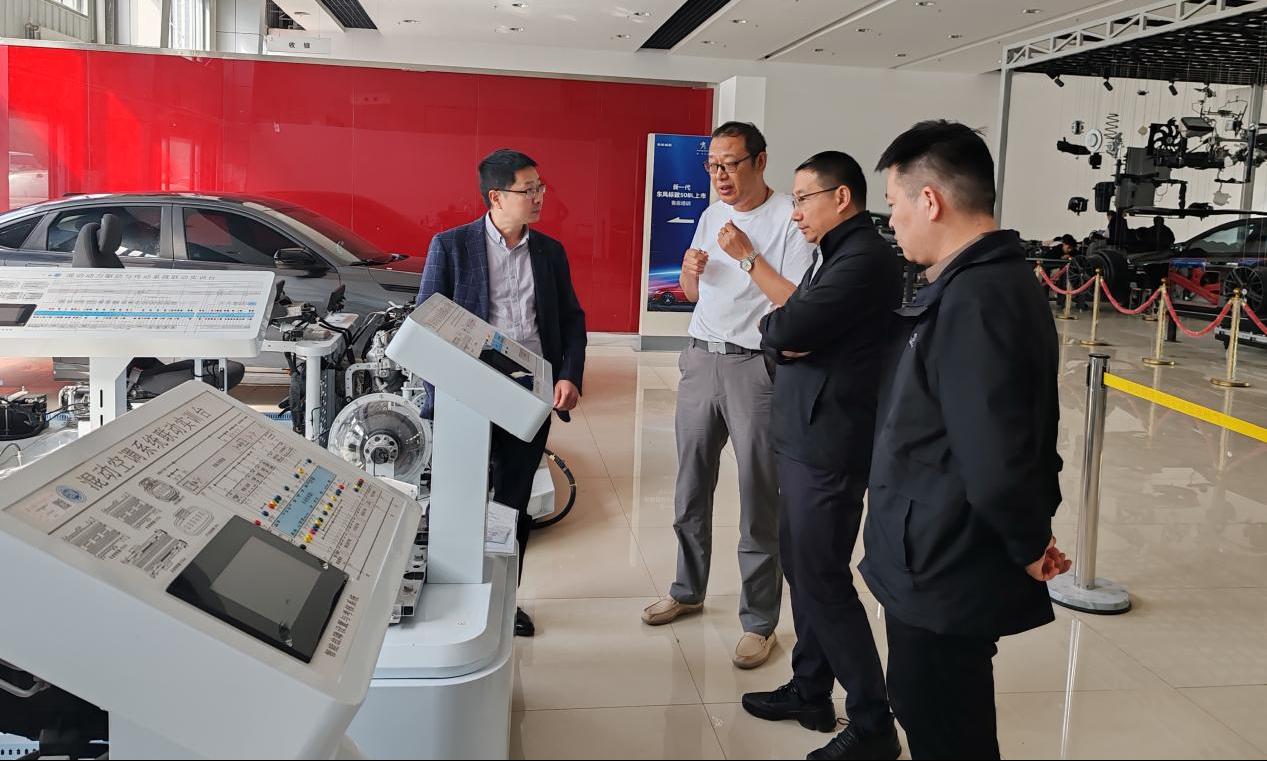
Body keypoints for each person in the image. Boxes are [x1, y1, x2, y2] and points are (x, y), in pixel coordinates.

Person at [865, 120, 1071, 759]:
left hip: (946, 556)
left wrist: (1027, 542)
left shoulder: (978, 298)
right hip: (934, 543)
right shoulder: (974, 283)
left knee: (944, 720)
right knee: (931, 707)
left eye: (895, 204)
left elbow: (996, 453)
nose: (893, 222)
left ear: (930, 201)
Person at [740, 151, 902, 760]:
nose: (795, 212)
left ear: (841, 197)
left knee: (823, 577)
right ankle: (811, 689)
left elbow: (786, 329)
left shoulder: (863, 260)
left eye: (804, 199)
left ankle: (873, 723)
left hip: (830, 442)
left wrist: (782, 335)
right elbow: (790, 330)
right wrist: (785, 335)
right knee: (803, 567)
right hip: (804, 433)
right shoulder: (832, 254)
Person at [640, 121, 815, 670]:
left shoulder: (788, 218)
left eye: (731, 164)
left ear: (760, 162)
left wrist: (745, 255)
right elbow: (694, 293)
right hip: (700, 359)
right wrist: (689, 272)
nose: (720, 175)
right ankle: (687, 590)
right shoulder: (711, 214)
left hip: (754, 367)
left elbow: (793, 302)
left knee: (758, 496)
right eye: (712, 165)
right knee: (690, 487)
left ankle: (759, 621)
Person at [416, 148, 587, 638]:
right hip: (466, 399)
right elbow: (427, 326)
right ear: (496, 197)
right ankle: (456, 598)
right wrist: (442, 397)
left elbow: (572, 321)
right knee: (461, 501)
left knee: (513, 502)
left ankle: (506, 599)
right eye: (528, 190)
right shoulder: (452, 246)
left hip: (528, 396)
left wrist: (569, 375)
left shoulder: (549, 252)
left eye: (540, 187)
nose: (539, 197)